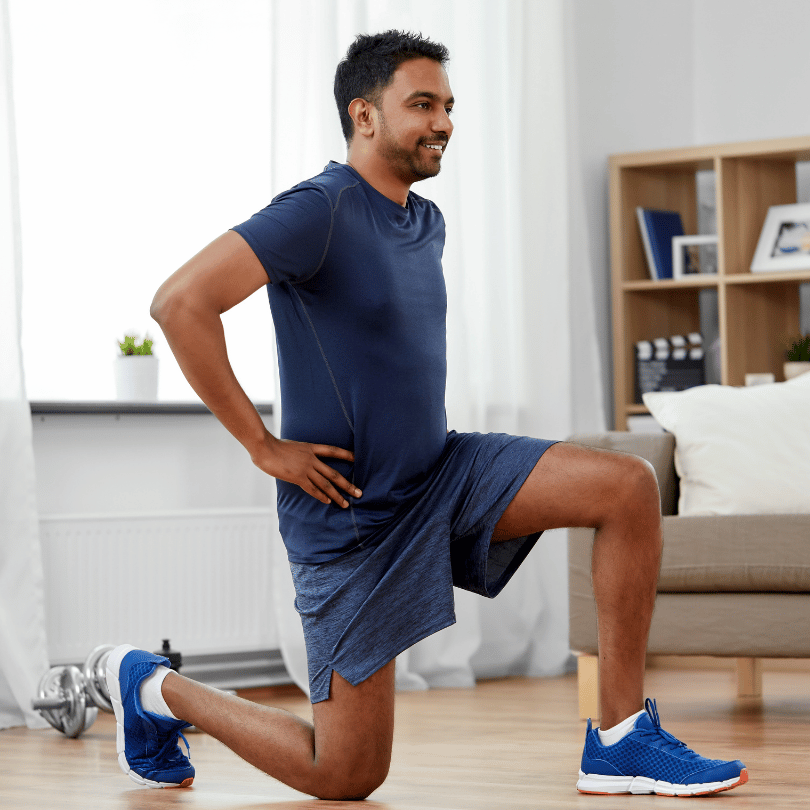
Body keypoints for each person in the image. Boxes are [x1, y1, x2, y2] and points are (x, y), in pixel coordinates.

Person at [105, 30, 748, 800]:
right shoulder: (320, 209)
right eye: (421, 104)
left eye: (448, 106)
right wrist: (263, 446)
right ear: (364, 115)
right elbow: (180, 304)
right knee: (345, 773)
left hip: (441, 473)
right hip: (355, 520)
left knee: (627, 487)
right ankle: (151, 688)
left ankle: (618, 741)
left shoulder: (423, 220)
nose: (443, 121)